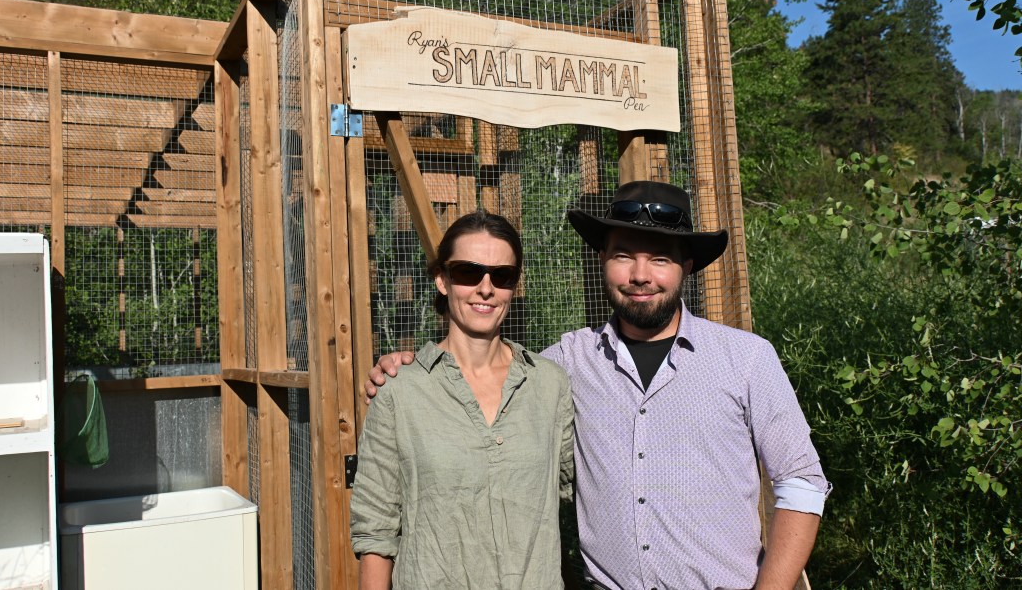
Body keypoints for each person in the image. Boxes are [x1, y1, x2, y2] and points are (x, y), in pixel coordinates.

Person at [367, 181, 830, 590]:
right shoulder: (563, 365)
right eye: (624, 255)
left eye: (660, 259)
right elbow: (484, 372)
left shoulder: (746, 359)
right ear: (603, 260)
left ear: (687, 266)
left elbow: (802, 484)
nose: (640, 275)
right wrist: (409, 367)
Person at [350, 209, 574, 590]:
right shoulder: (400, 392)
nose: (486, 288)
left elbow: (582, 487)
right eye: (468, 272)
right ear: (442, 279)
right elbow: (376, 530)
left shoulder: (550, 386)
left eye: (502, 276)